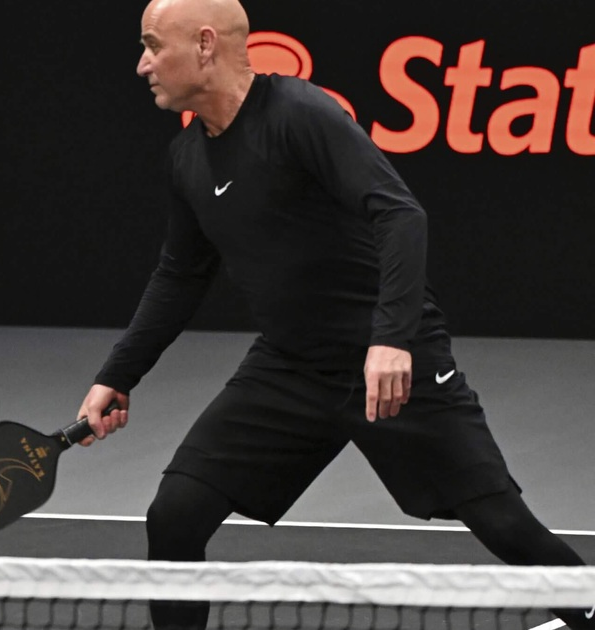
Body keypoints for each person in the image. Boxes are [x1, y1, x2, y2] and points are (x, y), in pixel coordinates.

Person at [74, 1, 592, 628]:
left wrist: (391, 338)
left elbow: (400, 214)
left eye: (153, 45)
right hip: (290, 366)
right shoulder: (186, 158)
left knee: (504, 524)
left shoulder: (300, 114)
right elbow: (180, 275)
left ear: (205, 44)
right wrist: (118, 373)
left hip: (392, 362)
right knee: (175, 515)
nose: (142, 64)